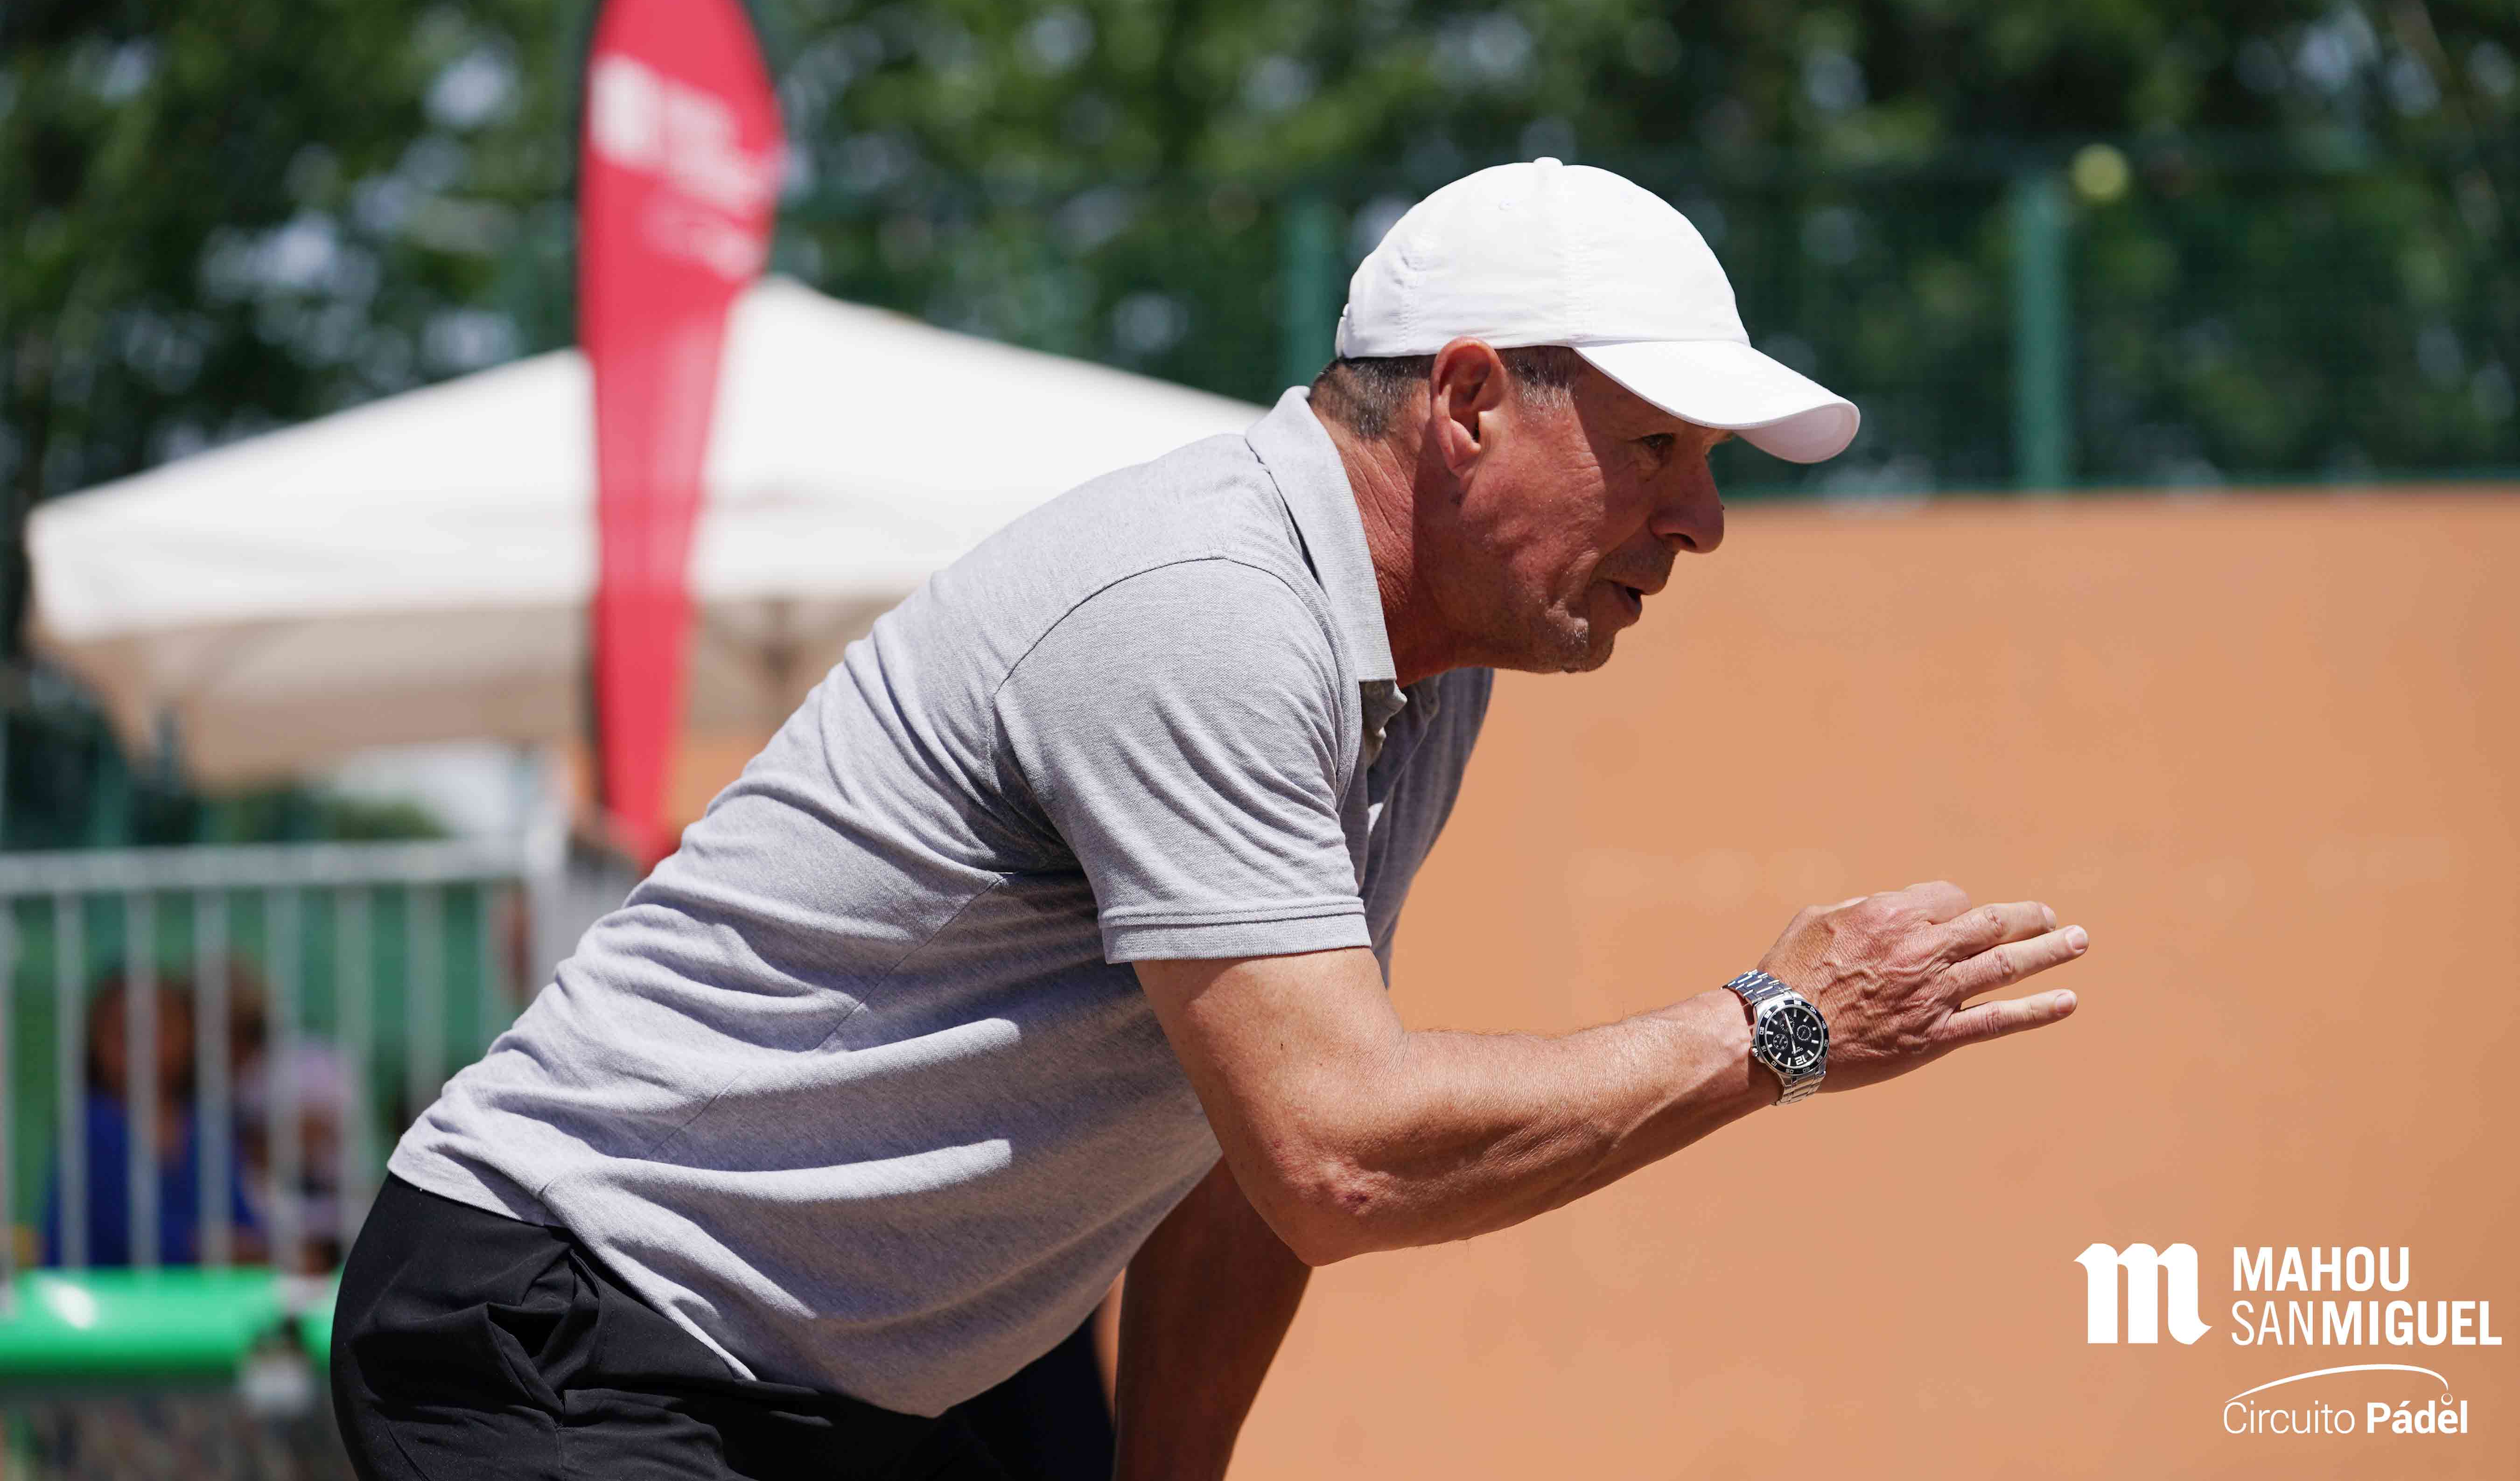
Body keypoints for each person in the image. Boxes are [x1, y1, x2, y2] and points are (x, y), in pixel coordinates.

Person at [332, 160, 2088, 1480]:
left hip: (854, 1374)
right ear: (1470, 403)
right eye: (1655, 450)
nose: (1700, 520)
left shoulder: (1419, 661)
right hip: (572, 1323)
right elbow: (1339, 1149)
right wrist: (1776, 1024)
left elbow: (1241, 1150)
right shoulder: (1207, 606)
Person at [41, 969, 260, 1268]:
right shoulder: (90, 1126)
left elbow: (243, 1221)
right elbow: (147, 1239)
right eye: (124, 1030)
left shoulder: (206, 1126)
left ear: (189, 1035)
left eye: (160, 1026)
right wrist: (257, 1250)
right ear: (96, 1042)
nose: (143, 1044)